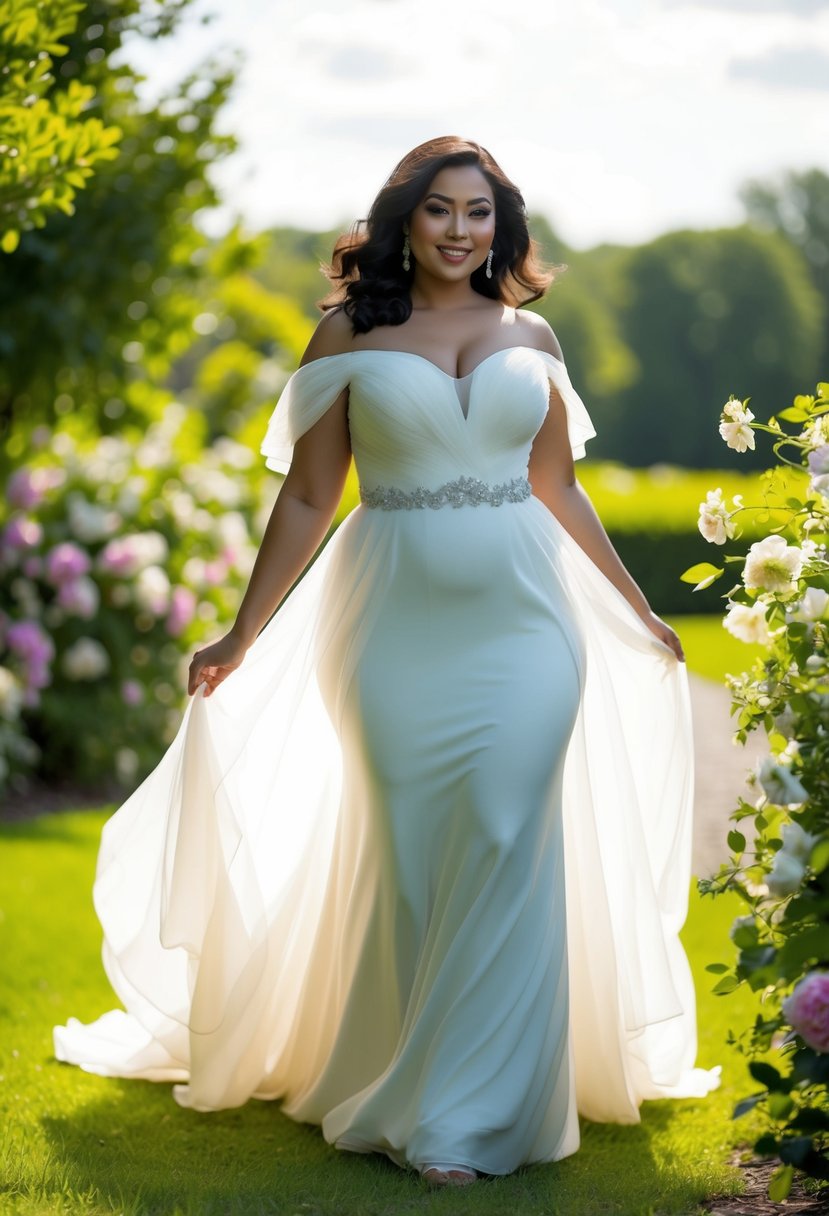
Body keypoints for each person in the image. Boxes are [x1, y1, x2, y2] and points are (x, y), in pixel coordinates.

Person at [54, 136, 721, 1188]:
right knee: (411, 855)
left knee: (507, 830)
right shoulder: (345, 335)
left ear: (501, 226)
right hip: (390, 630)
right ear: (403, 220)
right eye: (442, 211)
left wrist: (636, 609)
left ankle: (473, 1113)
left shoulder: (531, 334)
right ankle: (393, 1072)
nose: (463, 232)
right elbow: (311, 498)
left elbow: (558, 488)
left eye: (481, 213)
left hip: (526, 627)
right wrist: (241, 633)